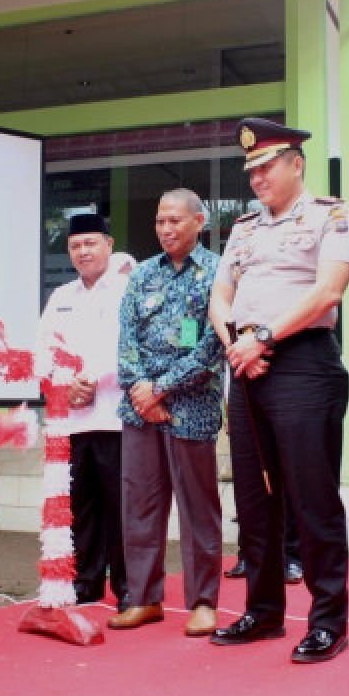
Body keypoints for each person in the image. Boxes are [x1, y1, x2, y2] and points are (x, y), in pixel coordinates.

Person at [207, 117, 349, 664]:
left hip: (302, 364)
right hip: (245, 364)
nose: (257, 177)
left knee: (311, 496)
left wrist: (265, 336)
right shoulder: (243, 228)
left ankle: (327, 620)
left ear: (297, 164)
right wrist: (236, 341)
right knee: (253, 497)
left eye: (268, 166)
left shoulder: (330, 216)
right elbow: (220, 295)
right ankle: (263, 611)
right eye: (251, 169)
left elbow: (328, 293)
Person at [109, 189, 225, 636]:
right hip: (139, 410)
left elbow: (212, 345)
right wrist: (141, 391)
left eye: (175, 221)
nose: (166, 229)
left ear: (199, 221)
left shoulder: (217, 272)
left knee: (198, 509)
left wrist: (160, 389)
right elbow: (125, 338)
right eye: (160, 221)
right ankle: (142, 598)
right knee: (140, 504)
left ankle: (203, 601)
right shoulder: (141, 274)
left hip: (190, 408)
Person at [36, 213, 130, 612]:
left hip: (117, 418)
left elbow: (131, 347)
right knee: (82, 508)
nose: (83, 252)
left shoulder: (128, 287)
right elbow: (41, 350)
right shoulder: (61, 297)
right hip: (72, 422)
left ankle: (131, 590)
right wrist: (63, 382)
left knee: (121, 508)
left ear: (109, 244)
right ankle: (86, 586)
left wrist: (94, 378)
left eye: (91, 243)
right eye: (75, 245)